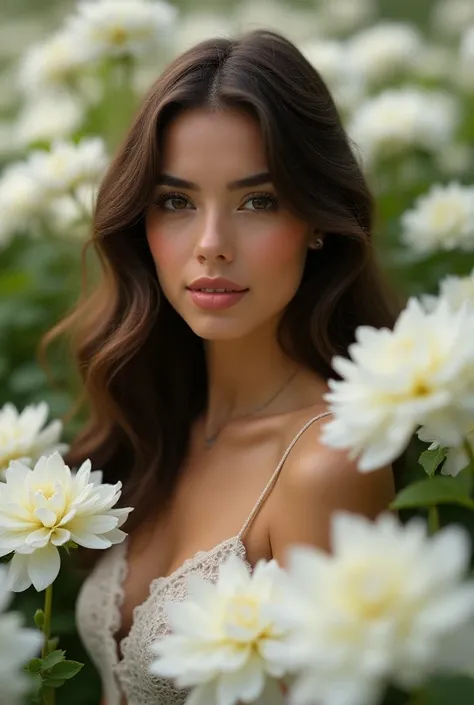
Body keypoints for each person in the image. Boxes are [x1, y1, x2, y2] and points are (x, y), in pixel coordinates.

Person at [42, 29, 398, 705]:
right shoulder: (158, 419)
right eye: (176, 202)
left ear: (319, 219)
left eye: (257, 201)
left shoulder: (327, 464)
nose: (210, 245)